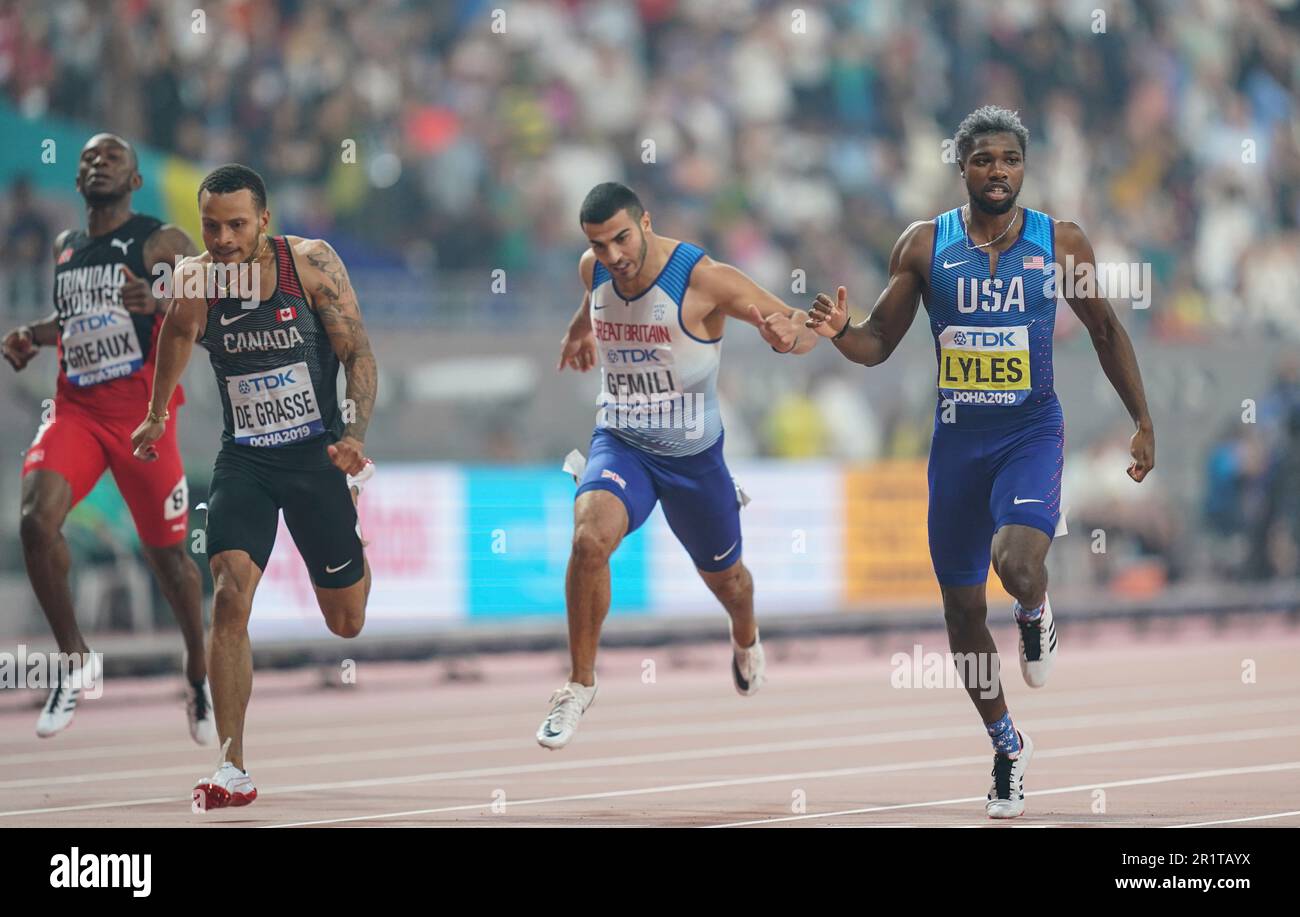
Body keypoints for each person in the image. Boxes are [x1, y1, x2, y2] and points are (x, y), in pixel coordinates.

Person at [805, 106, 1155, 818]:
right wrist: (840, 331)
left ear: (1025, 168)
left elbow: (1106, 330)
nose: (999, 172)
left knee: (1018, 561)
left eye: (1011, 161)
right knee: (962, 612)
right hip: (958, 445)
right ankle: (1007, 747)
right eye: (984, 160)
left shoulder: (1059, 242)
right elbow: (877, 343)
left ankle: (1034, 608)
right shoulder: (923, 245)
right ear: (960, 165)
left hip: (1029, 432)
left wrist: (1142, 419)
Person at [130, 164, 379, 809]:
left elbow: (358, 353)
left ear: (264, 219)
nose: (223, 239)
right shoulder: (196, 281)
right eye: (211, 226)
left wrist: (354, 434)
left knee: (347, 621)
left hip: (317, 456)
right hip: (245, 462)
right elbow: (177, 337)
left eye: (237, 225)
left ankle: (355, 529)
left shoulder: (312, 264)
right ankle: (231, 764)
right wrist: (157, 413)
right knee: (231, 593)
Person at [537, 181, 814, 750]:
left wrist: (788, 336)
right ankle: (578, 685)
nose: (614, 256)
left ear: (645, 221)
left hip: (694, 462)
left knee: (731, 585)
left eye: (622, 239)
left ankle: (745, 636)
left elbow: (800, 326)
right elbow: (592, 298)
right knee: (589, 540)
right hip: (622, 444)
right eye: (600, 244)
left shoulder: (703, 278)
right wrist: (577, 330)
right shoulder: (593, 270)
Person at [1, 133, 212, 743]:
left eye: (112, 158)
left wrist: (160, 296)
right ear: (76, 181)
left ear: (135, 180)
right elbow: (76, 321)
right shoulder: (66, 247)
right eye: (89, 158)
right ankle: (74, 660)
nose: (98, 163)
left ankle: (198, 673)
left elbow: (207, 300)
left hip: (145, 418)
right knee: (36, 523)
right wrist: (31, 336)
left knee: (170, 561)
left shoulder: (160, 240)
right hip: (77, 412)